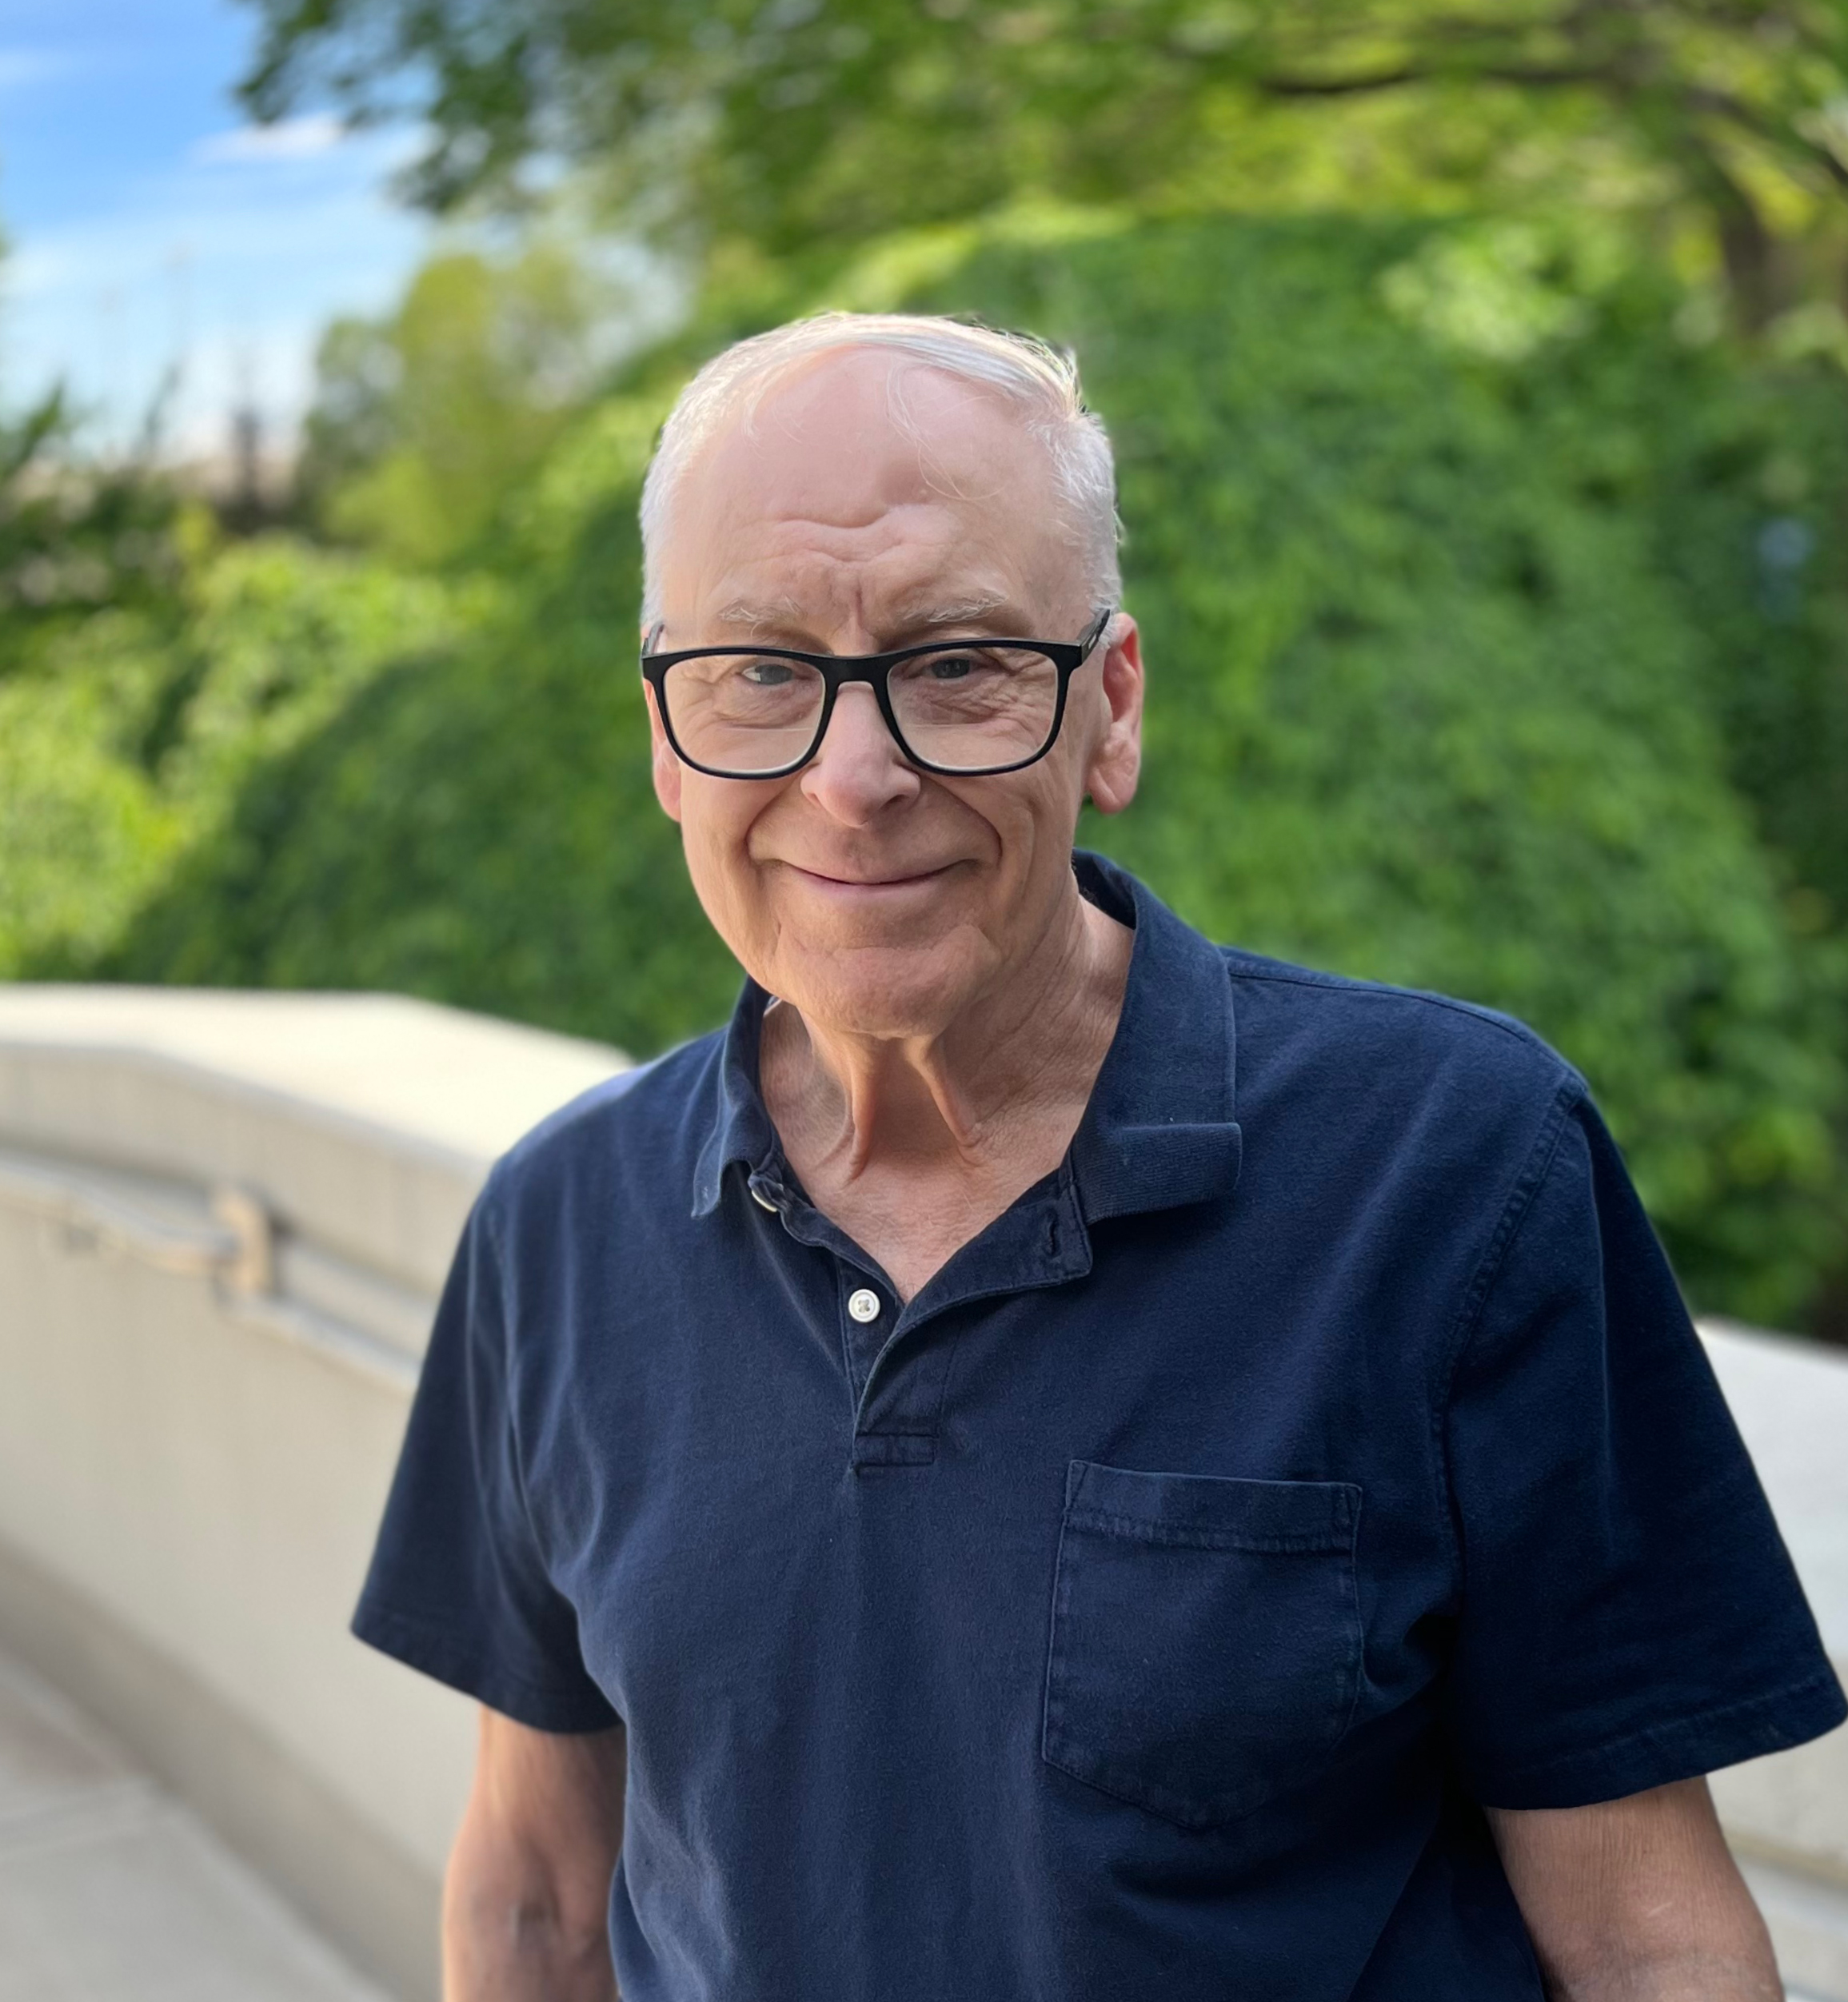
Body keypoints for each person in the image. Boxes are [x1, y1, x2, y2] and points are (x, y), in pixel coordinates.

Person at [353, 312, 1845, 2001]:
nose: (853, 780)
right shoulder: (557, 1229)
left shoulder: (1451, 1170)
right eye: (760, 670)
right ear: (662, 733)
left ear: (1109, 710)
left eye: (959, 662)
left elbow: (1647, 1941)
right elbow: (540, 1896)